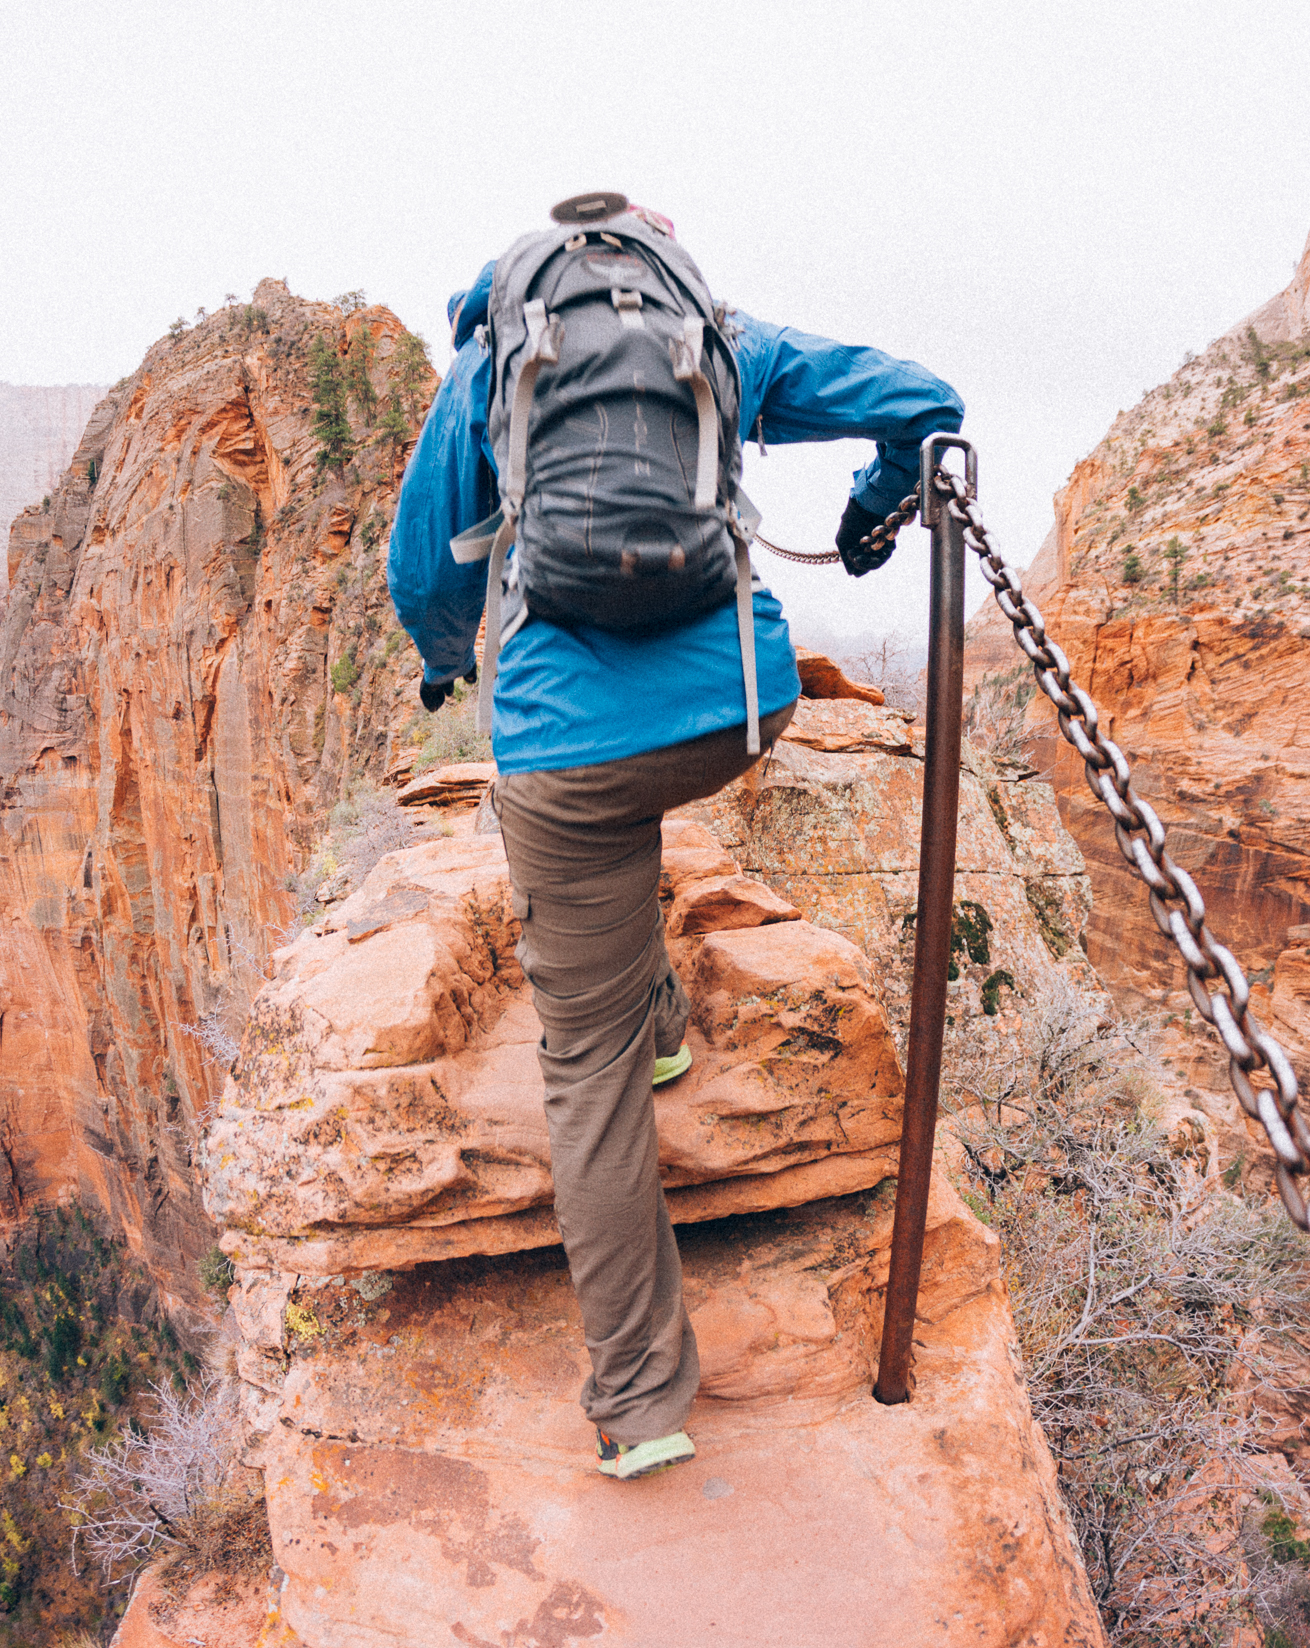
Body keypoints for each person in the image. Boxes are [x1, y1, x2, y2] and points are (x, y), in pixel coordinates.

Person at [387, 197, 961, 1481]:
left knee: (580, 1053)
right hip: (733, 713)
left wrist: (443, 662)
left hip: (565, 750)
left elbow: (424, 568)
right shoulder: (715, 337)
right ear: (657, 273)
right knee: (628, 813)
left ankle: (642, 1401)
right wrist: (873, 513)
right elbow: (924, 400)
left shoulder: (491, 364)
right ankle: (657, 1027)